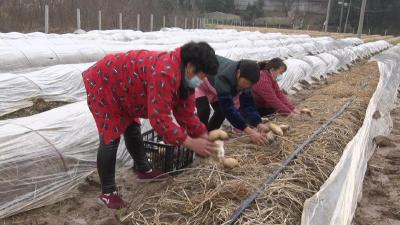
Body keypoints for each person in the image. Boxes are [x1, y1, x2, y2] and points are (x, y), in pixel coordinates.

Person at [82, 42, 219, 209]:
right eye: (202, 75)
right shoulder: (165, 72)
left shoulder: (185, 78)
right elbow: (159, 119)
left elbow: (186, 113)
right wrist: (190, 142)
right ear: (190, 66)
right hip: (106, 81)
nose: (202, 80)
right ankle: (108, 193)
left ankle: (143, 169)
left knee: (132, 128)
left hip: (127, 89)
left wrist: (202, 134)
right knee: (110, 137)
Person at [195, 55, 269, 145]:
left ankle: (210, 137)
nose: (246, 86)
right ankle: (200, 138)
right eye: (245, 83)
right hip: (200, 81)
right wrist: (249, 131)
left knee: (220, 112)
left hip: (215, 87)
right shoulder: (224, 77)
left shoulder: (247, 81)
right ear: (238, 73)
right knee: (203, 110)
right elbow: (228, 108)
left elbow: (247, 105)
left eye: (249, 84)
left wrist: (258, 123)